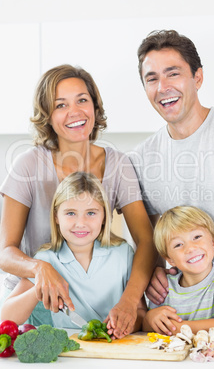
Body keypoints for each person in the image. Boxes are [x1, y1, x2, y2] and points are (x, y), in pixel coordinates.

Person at [129, 30, 214, 342]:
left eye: (173, 73)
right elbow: (157, 245)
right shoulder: (141, 159)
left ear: (198, 77)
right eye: (151, 79)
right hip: (188, 324)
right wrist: (155, 275)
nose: (162, 87)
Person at [0, 64, 156, 338]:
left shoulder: (117, 164)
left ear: (95, 106)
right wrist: (40, 269)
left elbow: (146, 239)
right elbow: (5, 251)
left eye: (82, 100)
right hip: (35, 304)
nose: (75, 112)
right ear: (47, 116)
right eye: (61, 105)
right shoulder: (28, 165)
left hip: (97, 302)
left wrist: (131, 300)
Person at [1, 172, 147, 333]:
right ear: (56, 217)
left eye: (91, 213)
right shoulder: (46, 259)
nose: (80, 223)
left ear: (104, 216)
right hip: (68, 351)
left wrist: (123, 327)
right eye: (71, 213)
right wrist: (40, 289)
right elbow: (6, 317)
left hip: (116, 349)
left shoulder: (123, 254)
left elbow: (140, 312)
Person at [142, 206, 214, 335]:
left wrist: (178, 328)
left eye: (196, 237)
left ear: (213, 242)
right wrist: (149, 318)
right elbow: (146, 327)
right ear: (170, 259)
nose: (190, 248)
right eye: (178, 244)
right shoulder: (164, 287)